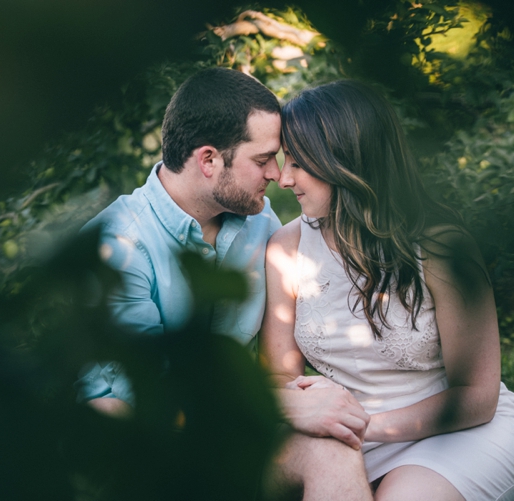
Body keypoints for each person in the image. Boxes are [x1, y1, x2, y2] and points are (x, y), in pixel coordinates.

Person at [76, 67, 374, 499]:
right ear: (209, 160)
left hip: (239, 438)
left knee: (331, 452)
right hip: (150, 455)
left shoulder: (259, 222)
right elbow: (143, 403)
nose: (277, 174)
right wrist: (282, 405)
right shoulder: (118, 247)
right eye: (262, 159)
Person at [263, 79, 514, 500]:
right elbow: (277, 376)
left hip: (456, 432)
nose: (283, 180)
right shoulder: (286, 249)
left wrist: (360, 424)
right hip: (343, 433)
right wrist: (314, 413)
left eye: (298, 163)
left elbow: (477, 396)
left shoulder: (441, 246)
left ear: (344, 161)